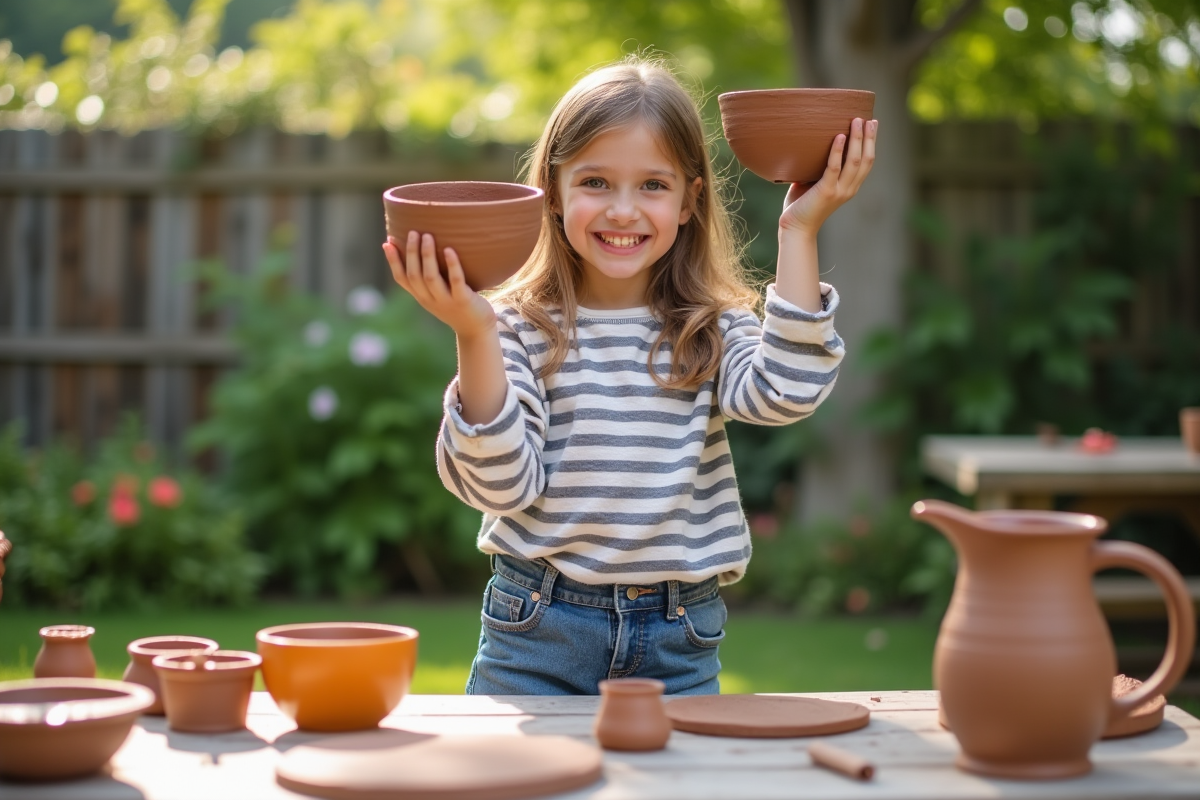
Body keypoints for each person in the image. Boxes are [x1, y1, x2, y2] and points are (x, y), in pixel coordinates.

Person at [382, 55, 877, 695]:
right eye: (594, 181)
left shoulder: (709, 324)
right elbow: (499, 488)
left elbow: (786, 392)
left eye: (652, 185)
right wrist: (473, 332)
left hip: (680, 636)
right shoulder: (518, 329)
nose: (623, 210)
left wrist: (799, 226)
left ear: (689, 200)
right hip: (536, 631)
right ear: (553, 193)